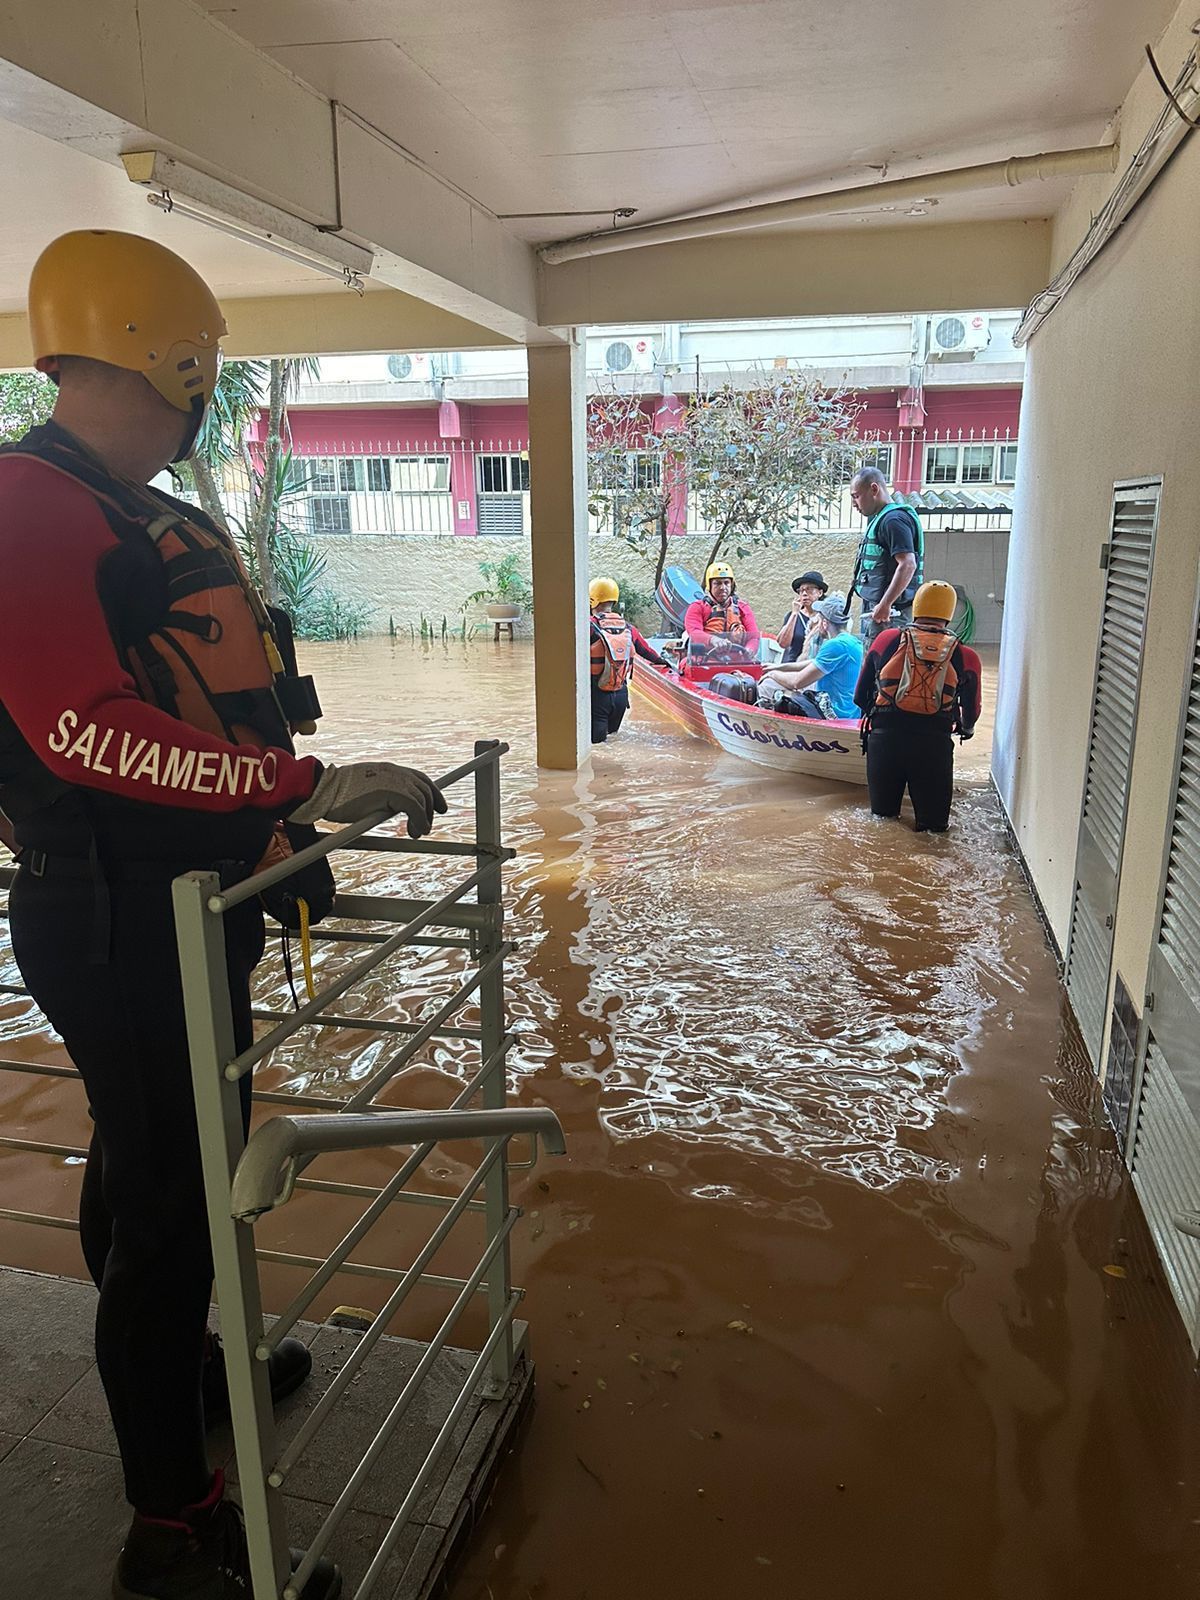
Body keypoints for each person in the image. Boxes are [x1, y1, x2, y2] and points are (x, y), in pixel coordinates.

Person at [0, 230, 452, 1600]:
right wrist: (300, 785)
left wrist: (274, 821)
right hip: (117, 915)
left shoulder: (109, 504)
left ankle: (184, 1371)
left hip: (175, 903)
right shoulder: (31, 505)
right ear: (179, 368)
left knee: (156, 1174)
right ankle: (176, 1529)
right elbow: (86, 731)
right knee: (175, 1204)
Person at [853, 579, 982, 833]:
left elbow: (859, 695)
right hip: (934, 747)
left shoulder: (887, 639)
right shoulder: (966, 655)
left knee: (883, 824)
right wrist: (966, 729)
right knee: (933, 831)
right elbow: (973, 709)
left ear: (917, 607)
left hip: (884, 742)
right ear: (950, 613)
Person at [848, 467, 924, 645]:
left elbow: (908, 564)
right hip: (880, 612)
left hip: (889, 617)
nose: (854, 504)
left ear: (874, 489)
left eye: (856, 496)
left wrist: (885, 604)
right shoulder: (882, 519)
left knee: (883, 668)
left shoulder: (893, 520)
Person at [589, 577, 669, 744]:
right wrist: (665, 662)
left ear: (592, 600)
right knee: (613, 740)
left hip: (597, 695)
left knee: (598, 747)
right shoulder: (628, 628)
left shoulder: (588, 627)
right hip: (620, 695)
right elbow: (648, 652)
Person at [758, 593, 863, 720]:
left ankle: (769, 730)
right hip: (850, 712)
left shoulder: (835, 645)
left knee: (768, 685)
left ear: (824, 623)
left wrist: (772, 674)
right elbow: (814, 662)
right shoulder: (853, 642)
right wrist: (779, 667)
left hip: (833, 714)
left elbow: (797, 681)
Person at [683, 562, 761, 656]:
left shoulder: (743, 608)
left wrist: (749, 650)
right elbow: (694, 633)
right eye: (717, 583)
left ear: (731, 585)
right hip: (704, 660)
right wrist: (713, 640)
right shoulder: (697, 607)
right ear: (709, 585)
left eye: (726, 583)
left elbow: (754, 637)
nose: (723, 587)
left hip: (737, 661)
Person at [777, 569, 828, 664]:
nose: (804, 593)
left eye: (809, 589)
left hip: (816, 667)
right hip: (792, 666)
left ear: (820, 593)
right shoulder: (792, 615)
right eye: (801, 590)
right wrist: (795, 613)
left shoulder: (826, 617)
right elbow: (783, 643)